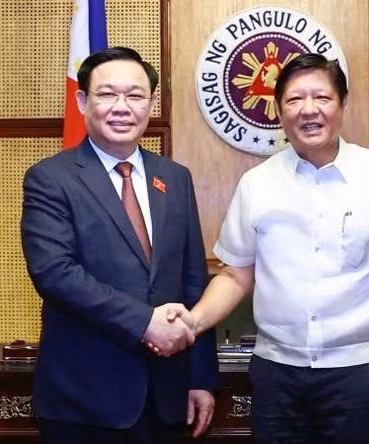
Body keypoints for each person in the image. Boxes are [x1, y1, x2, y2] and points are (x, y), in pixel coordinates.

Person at [168, 53, 369, 443]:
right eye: (295, 100)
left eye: (322, 98)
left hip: (359, 373)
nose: (308, 110)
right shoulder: (257, 184)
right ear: (279, 112)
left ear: (342, 105)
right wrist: (191, 324)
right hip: (276, 373)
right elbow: (235, 274)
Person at [21, 46, 217, 444]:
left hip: (165, 396)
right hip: (84, 400)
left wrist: (200, 377)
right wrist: (144, 322)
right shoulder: (50, 178)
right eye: (108, 94)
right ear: (82, 101)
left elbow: (193, 280)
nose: (122, 107)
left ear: (150, 104)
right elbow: (55, 274)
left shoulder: (174, 178)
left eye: (135, 95)